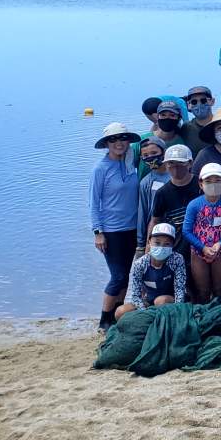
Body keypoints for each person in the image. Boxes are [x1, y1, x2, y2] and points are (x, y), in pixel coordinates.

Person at [89, 122, 142, 331]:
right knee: (117, 276)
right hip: (111, 231)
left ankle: (117, 316)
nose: (119, 143)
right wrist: (97, 232)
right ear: (107, 144)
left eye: (123, 138)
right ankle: (104, 320)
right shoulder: (100, 169)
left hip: (132, 229)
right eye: (113, 139)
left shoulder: (130, 164)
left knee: (126, 275)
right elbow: (94, 203)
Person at [182, 163, 221, 305]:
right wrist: (202, 247)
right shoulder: (194, 205)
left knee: (220, 289)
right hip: (198, 252)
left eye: (217, 181)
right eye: (208, 181)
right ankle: (203, 320)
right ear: (201, 184)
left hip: (219, 252)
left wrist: (220, 243)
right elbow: (186, 231)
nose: (213, 185)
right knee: (203, 290)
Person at [116, 223, 187, 321]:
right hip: (148, 301)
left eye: (167, 244)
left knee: (161, 301)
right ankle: (149, 323)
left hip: (170, 300)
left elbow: (180, 289)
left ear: (173, 245)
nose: (161, 247)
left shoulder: (177, 259)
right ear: (149, 242)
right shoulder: (140, 264)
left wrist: (179, 309)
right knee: (120, 312)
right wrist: (144, 312)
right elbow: (136, 295)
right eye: (157, 243)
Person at [148, 144, 200, 265]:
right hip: (177, 247)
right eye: (171, 163)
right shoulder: (162, 193)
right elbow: (155, 220)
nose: (176, 168)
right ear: (166, 165)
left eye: (180, 163)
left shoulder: (201, 185)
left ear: (190, 163)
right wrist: (149, 249)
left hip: (201, 244)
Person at [135, 136, 169, 257]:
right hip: (155, 234)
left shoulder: (176, 175)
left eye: (154, 153)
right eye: (146, 155)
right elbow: (143, 213)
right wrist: (141, 245)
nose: (150, 157)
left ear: (164, 152)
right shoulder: (145, 182)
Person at [180, 85, 216, 152]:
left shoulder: (220, 124)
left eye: (203, 100)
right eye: (194, 102)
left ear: (212, 101)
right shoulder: (186, 128)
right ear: (189, 105)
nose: (199, 104)